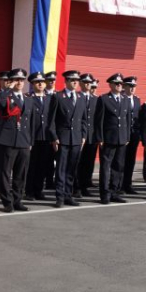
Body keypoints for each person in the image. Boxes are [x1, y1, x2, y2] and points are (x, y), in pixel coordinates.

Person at [0, 68, 35, 212]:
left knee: (21, 173)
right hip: (8, 140)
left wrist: (30, 141)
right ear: (10, 81)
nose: (20, 83)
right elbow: (1, 105)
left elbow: (31, 123)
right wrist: (7, 89)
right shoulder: (4, 96)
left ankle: (17, 200)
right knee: (5, 172)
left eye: (22, 80)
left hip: (24, 141)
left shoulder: (28, 99)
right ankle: (7, 202)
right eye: (17, 80)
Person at [48, 70, 87, 208]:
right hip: (62, 138)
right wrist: (54, 137)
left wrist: (83, 135)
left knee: (72, 168)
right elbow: (51, 120)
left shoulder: (81, 98)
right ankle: (59, 197)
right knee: (61, 169)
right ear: (66, 81)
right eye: (72, 80)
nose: (75, 82)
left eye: (77, 80)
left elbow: (83, 119)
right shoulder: (58, 96)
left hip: (76, 139)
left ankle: (68, 195)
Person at [95, 73, 131, 204]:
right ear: (110, 85)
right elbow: (99, 120)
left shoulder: (125, 99)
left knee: (119, 166)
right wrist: (100, 138)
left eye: (121, 84)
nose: (119, 86)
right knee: (105, 167)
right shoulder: (104, 99)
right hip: (108, 139)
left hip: (121, 138)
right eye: (116, 83)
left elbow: (127, 119)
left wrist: (127, 136)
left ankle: (115, 192)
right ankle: (104, 194)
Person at [25, 72, 54, 201]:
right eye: (37, 82)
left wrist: (53, 137)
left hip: (46, 137)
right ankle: (29, 191)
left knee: (43, 165)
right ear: (32, 84)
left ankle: (39, 190)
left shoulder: (50, 98)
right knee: (31, 166)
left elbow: (53, 119)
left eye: (42, 81)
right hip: (32, 137)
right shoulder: (28, 98)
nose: (41, 84)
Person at [76, 73, 99, 198]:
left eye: (89, 83)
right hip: (79, 136)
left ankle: (85, 185)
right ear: (80, 84)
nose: (87, 85)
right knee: (78, 162)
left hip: (92, 136)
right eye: (85, 82)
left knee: (89, 162)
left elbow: (99, 119)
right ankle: (77, 187)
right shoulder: (77, 97)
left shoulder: (95, 99)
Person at [121, 76, 142, 194]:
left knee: (130, 160)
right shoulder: (122, 99)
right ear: (124, 86)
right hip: (123, 134)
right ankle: (118, 185)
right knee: (120, 161)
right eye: (130, 86)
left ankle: (127, 184)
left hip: (134, 135)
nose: (132, 88)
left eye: (134, 86)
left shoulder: (137, 99)